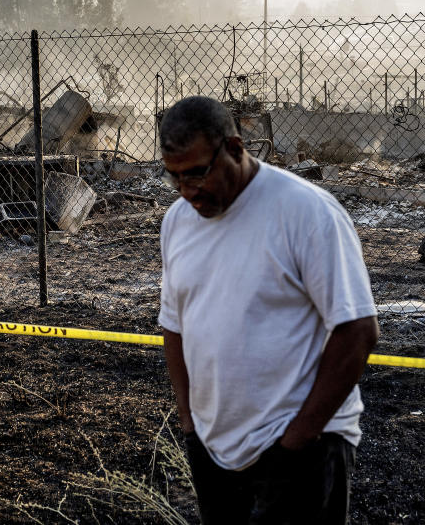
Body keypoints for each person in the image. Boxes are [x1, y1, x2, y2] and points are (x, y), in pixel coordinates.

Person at [158, 96, 379, 524]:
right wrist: (190, 428)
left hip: (304, 448)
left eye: (198, 173)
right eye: (175, 178)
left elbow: (357, 331)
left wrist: (297, 440)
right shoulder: (176, 222)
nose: (188, 191)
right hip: (215, 450)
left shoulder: (305, 212)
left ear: (237, 148)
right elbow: (174, 327)